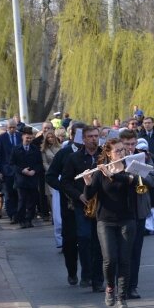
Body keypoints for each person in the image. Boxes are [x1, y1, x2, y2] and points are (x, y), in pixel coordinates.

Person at [82, 139, 137, 308]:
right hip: (105, 221)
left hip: (127, 219)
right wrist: (88, 181)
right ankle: (110, 287)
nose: (121, 153)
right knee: (110, 259)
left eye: (123, 150)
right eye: (117, 151)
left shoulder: (130, 168)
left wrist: (111, 175)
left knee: (124, 259)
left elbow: (130, 182)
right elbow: (89, 195)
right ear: (108, 154)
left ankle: (122, 297)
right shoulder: (100, 172)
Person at [61, 125, 104, 292]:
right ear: (84, 139)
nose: (94, 139)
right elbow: (65, 182)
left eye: (96, 136)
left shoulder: (104, 155)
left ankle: (97, 280)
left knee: (99, 243)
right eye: (90, 136)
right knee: (84, 238)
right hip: (83, 205)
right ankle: (86, 273)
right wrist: (79, 196)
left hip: (102, 204)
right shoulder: (74, 158)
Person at [120, 132, 154, 299]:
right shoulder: (116, 157)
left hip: (139, 208)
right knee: (120, 251)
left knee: (136, 250)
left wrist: (138, 174)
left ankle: (132, 286)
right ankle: (120, 285)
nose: (130, 148)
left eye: (132, 144)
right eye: (127, 144)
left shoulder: (145, 157)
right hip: (120, 209)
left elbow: (153, 180)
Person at [46, 122, 84, 285]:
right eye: (80, 135)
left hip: (89, 202)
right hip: (69, 203)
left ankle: (89, 274)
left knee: (88, 239)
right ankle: (72, 271)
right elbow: (51, 176)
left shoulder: (94, 153)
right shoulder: (64, 153)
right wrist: (63, 188)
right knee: (70, 239)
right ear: (71, 136)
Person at [11, 127, 43, 228]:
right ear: (23, 137)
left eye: (30, 138)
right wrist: (21, 170)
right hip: (21, 179)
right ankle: (21, 220)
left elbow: (39, 164)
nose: (29, 140)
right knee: (22, 201)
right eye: (27, 138)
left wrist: (34, 171)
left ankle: (29, 219)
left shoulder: (35, 149)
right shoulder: (16, 149)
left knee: (32, 201)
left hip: (32, 179)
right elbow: (12, 164)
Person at [41, 125, 63, 247]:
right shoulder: (44, 150)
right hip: (51, 177)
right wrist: (52, 171)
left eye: (51, 137)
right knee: (52, 201)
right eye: (48, 137)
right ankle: (56, 222)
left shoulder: (60, 148)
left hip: (61, 175)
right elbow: (44, 162)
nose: (50, 139)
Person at [0, 119, 21, 223]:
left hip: (19, 170)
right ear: (7, 127)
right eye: (10, 127)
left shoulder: (20, 136)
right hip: (6, 171)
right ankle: (12, 215)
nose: (12, 129)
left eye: (14, 127)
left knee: (18, 193)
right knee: (9, 194)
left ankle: (19, 214)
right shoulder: (1, 138)